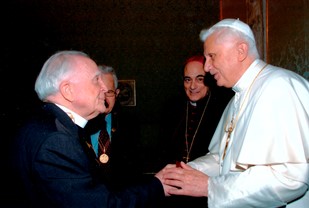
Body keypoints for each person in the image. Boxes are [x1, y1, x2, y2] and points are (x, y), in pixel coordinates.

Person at [163, 18, 309, 207]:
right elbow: (221, 159)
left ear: (241, 51)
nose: (207, 67)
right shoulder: (237, 98)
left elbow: (291, 178)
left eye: (212, 56)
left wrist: (211, 187)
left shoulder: (278, 87)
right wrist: (185, 172)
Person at [11, 50, 169, 207]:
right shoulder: (57, 140)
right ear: (68, 90)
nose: (104, 89)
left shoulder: (41, 124)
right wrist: (158, 185)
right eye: (96, 80)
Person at [159, 55, 233, 208]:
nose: (193, 86)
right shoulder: (172, 108)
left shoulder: (223, 108)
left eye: (200, 79)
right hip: (175, 189)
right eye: (188, 79)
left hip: (207, 188)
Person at [85, 64, 142, 190]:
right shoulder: (79, 123)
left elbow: (135, 170)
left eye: (109, 92)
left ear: (116, 93)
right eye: (99, 91)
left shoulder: (129, 123)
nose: (103, 98)